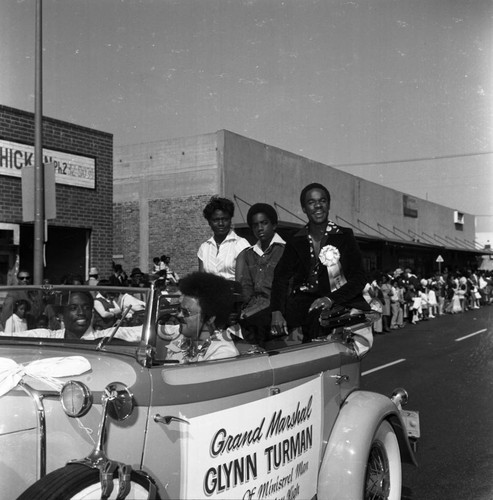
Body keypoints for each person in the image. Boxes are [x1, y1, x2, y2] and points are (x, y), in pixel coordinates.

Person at [270, 183, 372, 355]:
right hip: (303, 302)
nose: (318, 206)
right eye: (311, 202)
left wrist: (330, 299)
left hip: (338, 300)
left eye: (322, 201)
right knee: (260, 324)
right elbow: (281, 277)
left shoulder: (344, 235)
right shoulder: (296, 239)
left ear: (329, 204)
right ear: (303, 208)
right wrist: (276, 311)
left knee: (317, 322)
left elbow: (360, 277)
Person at [158, 272, 240, 363]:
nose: (179, 315)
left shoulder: (222, 355)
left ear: (209, 318)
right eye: (179, 310)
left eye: (186, 312)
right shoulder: (179, 341)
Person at [235, 203, 285, 345]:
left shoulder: (285, 250)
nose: (260, 228)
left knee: (257, 325)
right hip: (253, 309)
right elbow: (246, 287)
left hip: (275, 308)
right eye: (255, 225)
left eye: (264, 223)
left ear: (274, 225)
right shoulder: (249, 254)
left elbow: (285, 288)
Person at [197, 196, 249, 280]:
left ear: (230, 220)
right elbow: (201, 281)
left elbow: (240, 282)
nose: (221, 223)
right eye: (216, 220)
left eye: (225, 219)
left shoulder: (241, 245)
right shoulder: (204, 248)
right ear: (209, 222)